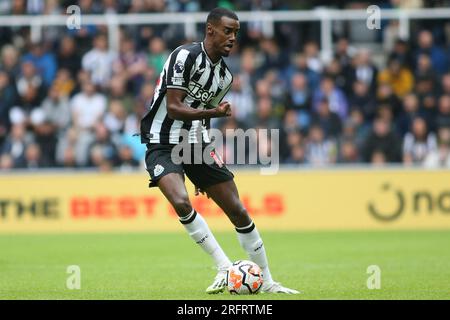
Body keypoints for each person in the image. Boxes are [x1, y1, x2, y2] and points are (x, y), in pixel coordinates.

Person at [139, 7, 299, 294]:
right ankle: (225, 268)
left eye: (236, 33)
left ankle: (268, 281)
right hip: (161, 140)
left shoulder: (225, 77)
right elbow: (174, 108)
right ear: (210, 29)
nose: (233, 38)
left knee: (237, 210)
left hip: (196, 144)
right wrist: (214, 111)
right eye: (228, 31)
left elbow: (202, 116)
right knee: (181, 202)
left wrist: (203, 162)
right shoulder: (184, 56)